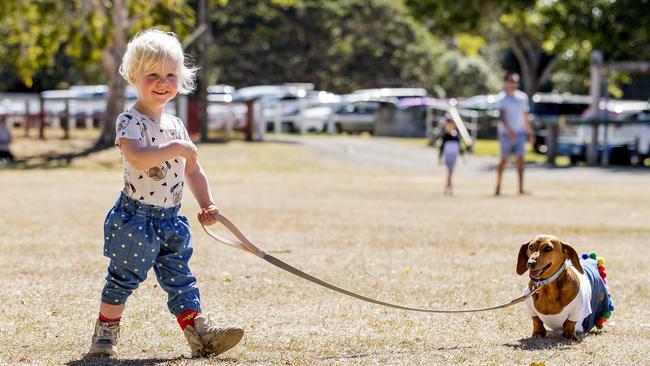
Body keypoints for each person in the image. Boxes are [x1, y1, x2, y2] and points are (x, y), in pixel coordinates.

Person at [88, 29, 244, 358]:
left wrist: (207, 203)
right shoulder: (129, 121)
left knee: (181, 277)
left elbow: (192, 169)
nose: (163, 82)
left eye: (170, 74)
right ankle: (105, 333)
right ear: (133, 76)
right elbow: (138, 157)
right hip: (136, 218)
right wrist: (174, 147)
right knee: (123, 277)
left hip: (172, 219)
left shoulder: (176, 125)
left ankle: (200, 334)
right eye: (153, 74)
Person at [494, 72, 533, 196]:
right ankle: (498, 187)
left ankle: (521, 188)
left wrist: (529, 133)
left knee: (521, 159)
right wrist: (510, 132)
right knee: (504, 160)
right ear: (506, 82)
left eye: (515, 81)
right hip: (506, 134)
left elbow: (525, 116)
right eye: (511, 81)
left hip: (520, 133)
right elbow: (502, 118)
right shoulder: (501, 98)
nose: (513, 84)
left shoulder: (522, 97)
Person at [438, 117, 464, 195]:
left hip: (454, 155)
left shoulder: (455, 135)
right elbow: (442, 147)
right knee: (450, 171)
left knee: (450, 172)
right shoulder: (445, 135)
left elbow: (459, 146)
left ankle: (448, 187)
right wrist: (440, 157)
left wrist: (462, 156)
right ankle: (449, 187)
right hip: (448, 155)